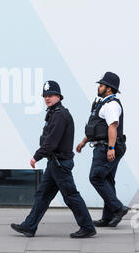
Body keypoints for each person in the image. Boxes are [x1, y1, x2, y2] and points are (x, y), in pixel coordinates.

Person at [11, 81, 96, 239]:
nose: (47, 98)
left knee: (71, 196)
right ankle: (29, 226)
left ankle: (87, 227)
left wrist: (37, 156)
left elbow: (51, 141)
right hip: (54, 163)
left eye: (50, 95)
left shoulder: (60, 115)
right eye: (45, 96)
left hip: (60, 163)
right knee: (42, 195)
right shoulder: (54, 113)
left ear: (58, 96)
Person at [76, 72, 128, 227]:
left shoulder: (111, 105)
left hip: (106, 148)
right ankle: (108, 217)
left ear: (109, 89)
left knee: (96, 177)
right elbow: (97, 128)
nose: (99, 87)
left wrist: (111, 148)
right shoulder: (102, 103)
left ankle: (118, 208)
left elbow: (112, 127)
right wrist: (84, 141)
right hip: (103, 145)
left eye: (101, 85)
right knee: (107, 180)